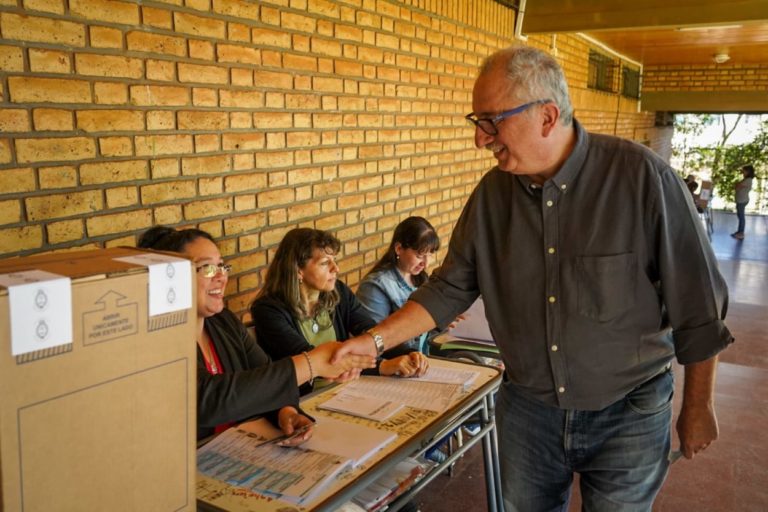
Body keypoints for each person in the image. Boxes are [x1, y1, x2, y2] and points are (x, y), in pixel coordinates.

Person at [333, 46, 733, 511]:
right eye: (477, 121)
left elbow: (699, 306)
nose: (481, 139)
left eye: (492, 121)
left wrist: (698, 406)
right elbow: (449, 288)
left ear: (547, 116)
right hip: (528, 412)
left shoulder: (641, 178)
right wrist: (374, 342)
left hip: (629, 412)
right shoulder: (491, 197)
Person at [137, 226, 375, 441]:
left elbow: (264, 375)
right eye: (207, 268)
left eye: (221, 266)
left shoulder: (224, 322)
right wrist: (311, 363)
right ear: (170, 279)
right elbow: (207, 399)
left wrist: (285, 412)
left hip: (240, 448)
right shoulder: (158, 339)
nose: (221, 276)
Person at [250, 227, 428, 395]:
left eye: (334, 260)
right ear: (298, 270)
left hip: (346, 390)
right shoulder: (267, 310)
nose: (336, 268)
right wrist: (383, 366)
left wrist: (407, 353)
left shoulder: (338, 292)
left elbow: (369, 330)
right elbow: (313, 360)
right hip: (301, 402)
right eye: (325, 263)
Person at [356, 216, 440, 357]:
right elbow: (373, 342)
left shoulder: (421, 279)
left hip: (420, 362)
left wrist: (441, 320)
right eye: (420, 256)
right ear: (399, 248)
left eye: (430, 255)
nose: (426, 264)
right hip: (392, 367)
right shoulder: (375, 286)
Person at [731, 164, 755, 240]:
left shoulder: (748, 180)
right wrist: (737, 185)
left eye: (744, 171)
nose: (742, 172)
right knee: (740, 216)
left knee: (741, 217)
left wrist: (737, 185)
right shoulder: (745, 179)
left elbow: (737, 187)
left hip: (742, 200)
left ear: (748, 172)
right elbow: (736, 186)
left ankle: (741, 233)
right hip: (740, 200)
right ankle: (739, 232)